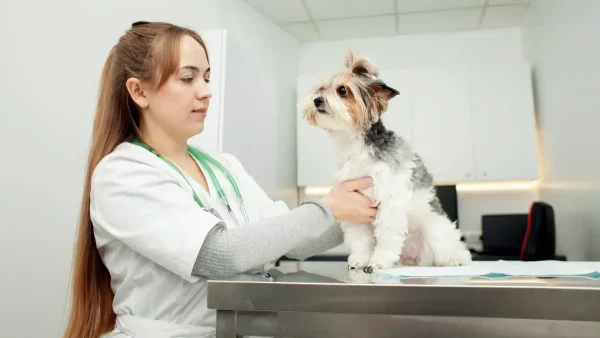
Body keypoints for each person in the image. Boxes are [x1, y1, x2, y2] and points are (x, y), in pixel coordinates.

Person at [62, 21, 378, 338]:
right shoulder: (123, 173)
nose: (206, 91)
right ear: (139, 91)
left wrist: (369, 207)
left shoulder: (222, 166)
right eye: (188, 78)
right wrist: (328, 209)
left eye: (207, 77)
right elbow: (220, 254)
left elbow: (292, 241)